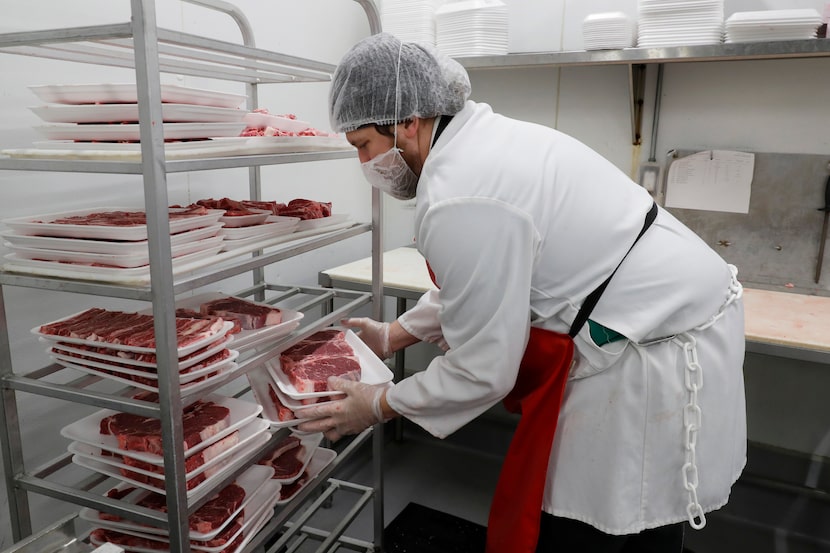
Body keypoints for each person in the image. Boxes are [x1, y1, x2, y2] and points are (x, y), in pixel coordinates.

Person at [297, 32, 747, 553]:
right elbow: (487, 285)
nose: (364, 165)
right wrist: (393, 336)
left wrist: (379, 403)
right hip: (669, 316)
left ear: (406, 123)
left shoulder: (460, 194)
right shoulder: (483, 141)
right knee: (636, 520)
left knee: (594, 525)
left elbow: (483, 366)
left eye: (363, 147)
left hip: (649, 348)